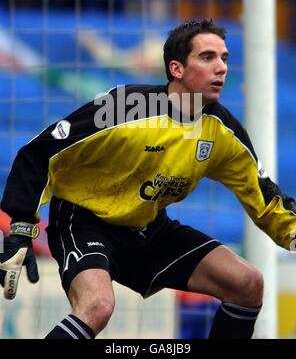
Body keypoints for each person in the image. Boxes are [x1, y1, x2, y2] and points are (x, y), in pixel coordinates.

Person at [1, 18, 295, 340]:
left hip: (148, 228)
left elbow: (265, 197)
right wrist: (20, 228)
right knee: (97, 306)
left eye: (224, 58)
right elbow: (39, 152)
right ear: (177, 68)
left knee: (247, 284)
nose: (221, 67)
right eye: (207, 57)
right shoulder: (125, 107)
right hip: (85, 220)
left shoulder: (223, 131)